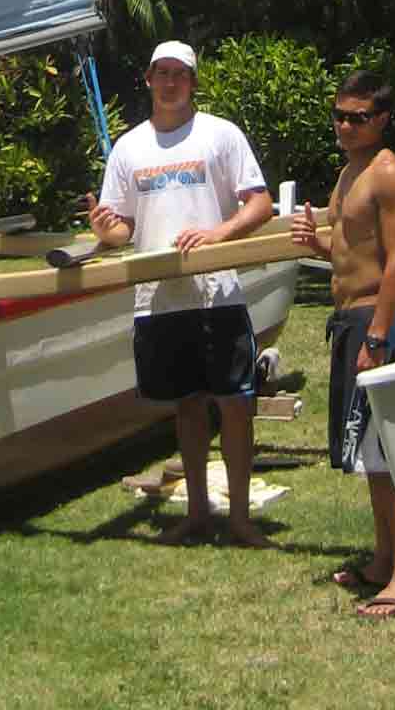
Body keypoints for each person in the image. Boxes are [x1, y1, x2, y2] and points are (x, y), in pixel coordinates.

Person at [88, 41, 275, 547]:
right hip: (159, 301)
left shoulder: (220, 135)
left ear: (193, 81)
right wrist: (106, 231)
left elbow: (260, 204)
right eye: (161, 73)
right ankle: (197, 513)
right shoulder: (128, 148)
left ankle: (239, 517)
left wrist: (218, 234)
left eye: (180, 75)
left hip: (218, 294)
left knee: (235, 404)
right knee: (187, 407)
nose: (170, 83)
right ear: (147, 80)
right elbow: (123, 229)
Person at [292, 69, 395, 617]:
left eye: (359, 117)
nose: (346, 125)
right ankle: (382, 560)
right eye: (340, 115)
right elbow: (352, 253)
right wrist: (319, 246)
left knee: (388, 454)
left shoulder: (389, 175)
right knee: (369, 454)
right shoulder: (350, 173)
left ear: (383, 119)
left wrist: (375, 335)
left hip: (376, 323)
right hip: (351, 320)